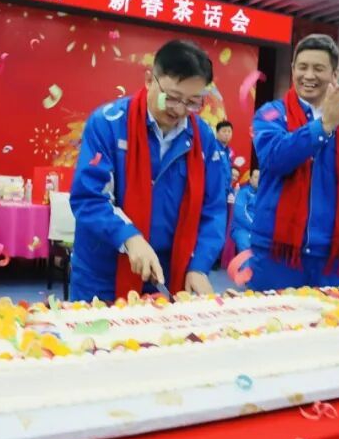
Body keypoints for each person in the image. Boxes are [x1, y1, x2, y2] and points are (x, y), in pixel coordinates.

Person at [70, 39, 228, 301]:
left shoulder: (203, 138)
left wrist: (199, 265)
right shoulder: (107, 124)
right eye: (172, 97)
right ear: (149, 80)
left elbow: (213, 210)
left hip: (169, 274)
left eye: (192, 102)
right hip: (104, 273)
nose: (179, 110)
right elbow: (90, 197)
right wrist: (129, 237)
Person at [248, 34, 339, 290]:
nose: (309, 75)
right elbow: (275, 159)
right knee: (273, 316)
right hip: (277, 250)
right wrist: (324, 125)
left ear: (334, 74)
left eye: (318, 68)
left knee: (330, 317)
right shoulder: (272, 113)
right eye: (302, 67)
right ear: (292, 69)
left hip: (331, 253)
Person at [231, 169, 260, 252]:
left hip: (257, 231)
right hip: (241, 229)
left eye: (260, 178)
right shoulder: (244, 192)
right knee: (246, 252)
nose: (258, 180)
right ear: (250, 180)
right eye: (256, 177)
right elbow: (239, 214)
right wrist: (255, 227)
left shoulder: (262, 195)